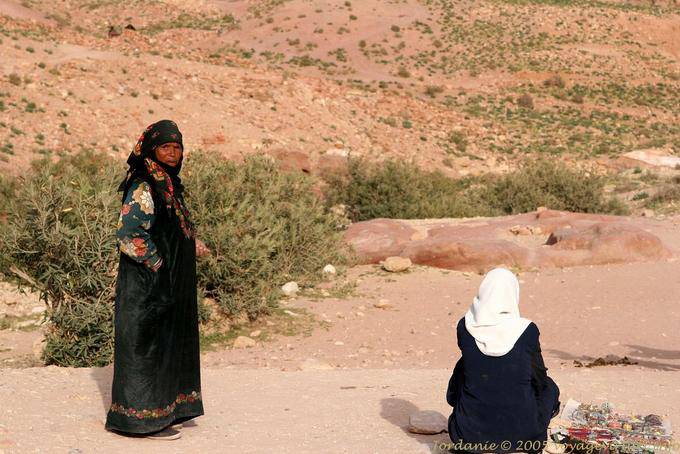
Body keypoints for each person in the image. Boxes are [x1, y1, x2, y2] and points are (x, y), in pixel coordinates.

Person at [105, 120, 208, 440]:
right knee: (145, 346)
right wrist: (158, 264)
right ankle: (140, 421)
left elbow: (171, 228)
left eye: (177, 147)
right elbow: (128, 234)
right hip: (146, 284)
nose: (174, 153)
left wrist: (192, 245)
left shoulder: (168, 184)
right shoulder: (144, 184)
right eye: (166, 147)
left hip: (168, 284)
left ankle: (167, 411)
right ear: (151, 150)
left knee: (168, 344)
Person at [446, 268, 560, 453]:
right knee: (550, 387)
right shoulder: (527, 330)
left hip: (467, 436)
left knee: (464, 369)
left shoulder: (465, 326)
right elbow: (538, 378)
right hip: (524, 436)